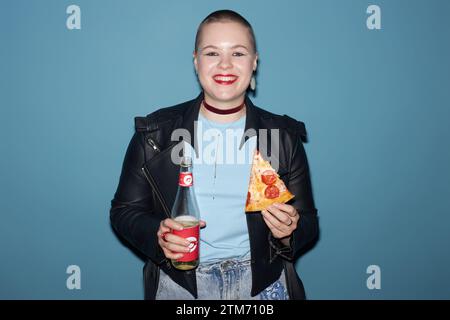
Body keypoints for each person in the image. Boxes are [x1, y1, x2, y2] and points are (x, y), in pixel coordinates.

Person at [110, 9, 318, 300]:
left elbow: (308, 221)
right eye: (211, 53)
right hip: (181, 287)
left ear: (254, 61)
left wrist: (288, 232)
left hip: (262, 286)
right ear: (196, 61)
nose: (225, 64)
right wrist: (158, 235)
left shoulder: (283, 137)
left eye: (238, 53)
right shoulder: (154, 134)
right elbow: (123, 212)